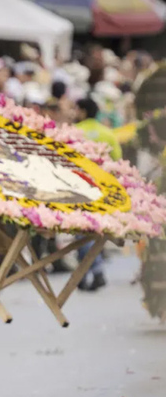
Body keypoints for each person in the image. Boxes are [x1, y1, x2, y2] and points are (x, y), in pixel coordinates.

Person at [74, 97, 117, 291]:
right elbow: (118, 162)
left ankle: (92, 270)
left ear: (83, 111)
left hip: (78, 187)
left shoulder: (74, 132)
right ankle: (86, 273)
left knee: (82, 232)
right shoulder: (107, 133)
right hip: (103, 189)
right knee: (94, 230)